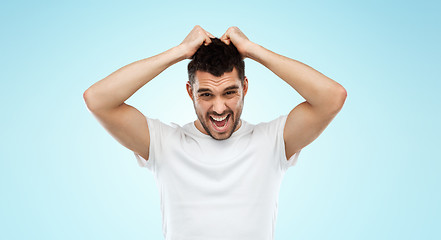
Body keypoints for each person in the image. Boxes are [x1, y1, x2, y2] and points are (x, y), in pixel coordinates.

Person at [83, 25, 347, 240]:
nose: (219, 108)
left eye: (230, 92)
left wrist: (253, 50)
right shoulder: (164, 144)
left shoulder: (273, 141)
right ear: (190, 92)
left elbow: (332, 97)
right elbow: (97, 100)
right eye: (206, 94)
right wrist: (179, 52)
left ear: (245, 87)